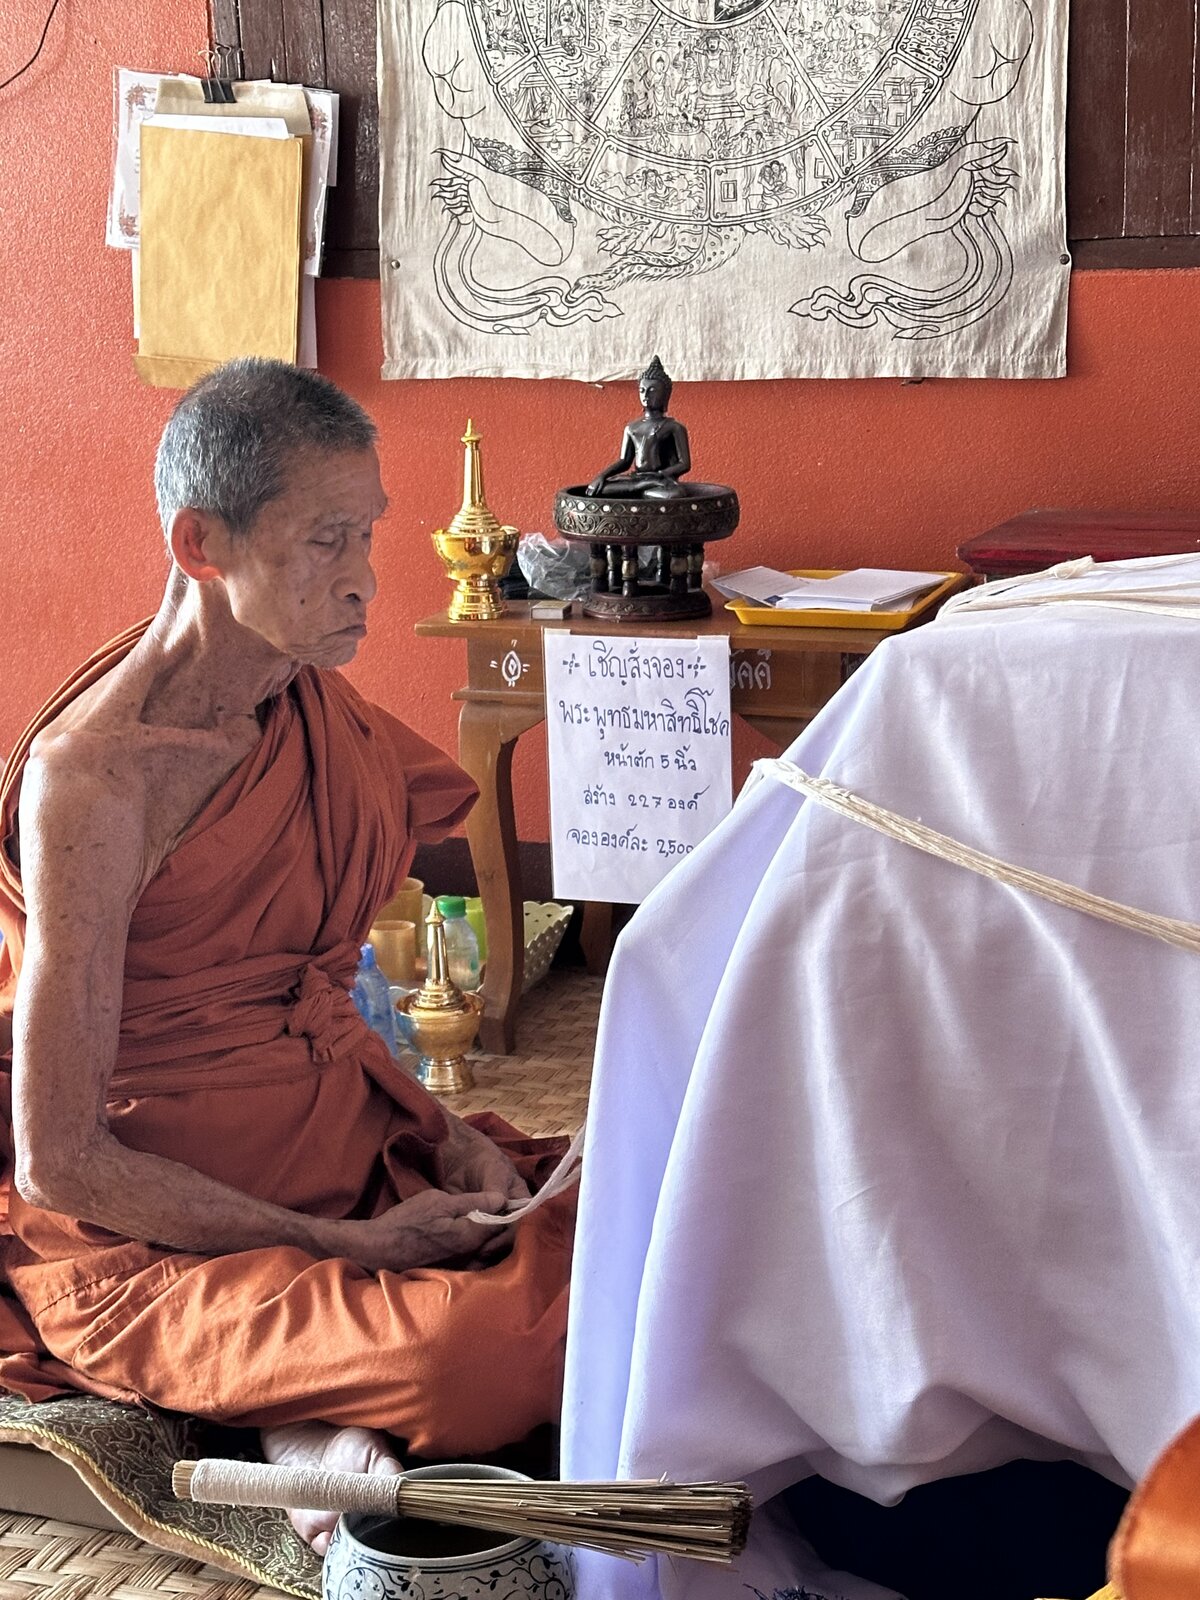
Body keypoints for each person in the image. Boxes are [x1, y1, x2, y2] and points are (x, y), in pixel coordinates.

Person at [0, 359, 574, 1554]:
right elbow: (59, 1162)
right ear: (200, 543)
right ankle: (296, 1400)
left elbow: (314, 995)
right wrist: (346, 1246)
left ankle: (303, 1401)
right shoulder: (97, 781)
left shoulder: (309, 713)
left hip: (343, 1139)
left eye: (367, 532)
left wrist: (443, 1130)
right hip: (156, 1218)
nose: (367, 579)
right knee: (481, 1357)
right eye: (324, 541)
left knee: (634, 1219)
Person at [585, 356, 692, 499]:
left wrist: (661, 474)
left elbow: (684, 464)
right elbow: (624, 461)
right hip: (637, 479)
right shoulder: (632, 427)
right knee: (600, 489)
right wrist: (602, 476)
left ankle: (641, 488)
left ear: (666, 394)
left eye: (652, 390)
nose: (646, 395)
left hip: (662, 480)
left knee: (673, 495)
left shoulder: (674, 427)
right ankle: (641, 487)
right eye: (642, 390)